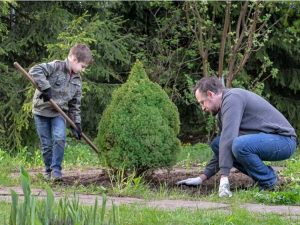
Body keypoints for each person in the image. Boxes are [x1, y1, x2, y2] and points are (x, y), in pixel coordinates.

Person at [177, 76, 297, 197]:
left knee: (239, 145)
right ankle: (266, 177)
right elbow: (224, 145)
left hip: (284, 141)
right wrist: (202, 177)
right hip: (269, 140)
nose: (203, 108)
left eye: (202, 102)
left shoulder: (233, 98)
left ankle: (269, 181)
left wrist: (224, 178)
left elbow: (229, 138)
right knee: (218, 144)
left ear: (210, 94)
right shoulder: (222, 110)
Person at [29, 43, 93, 181]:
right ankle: (48, 171)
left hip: (59, 113)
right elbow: (35, 70)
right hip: (41, 110)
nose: (82, 70)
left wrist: (76, 124)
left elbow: (75, 104)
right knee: (46, 144)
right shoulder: (56, 66)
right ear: (74, 59)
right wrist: (46, 88)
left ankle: (56, 170)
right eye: (82, 66)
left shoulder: (77, 80)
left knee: (59, 138)